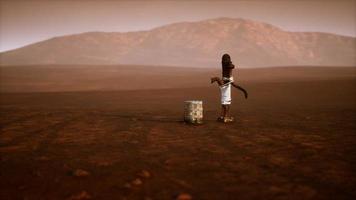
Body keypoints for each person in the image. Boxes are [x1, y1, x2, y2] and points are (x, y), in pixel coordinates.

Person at [211, 54, 248, 123]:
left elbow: (231, 67)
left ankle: (222, 116)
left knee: (224, 100)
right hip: (227, 82)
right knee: (226, 101)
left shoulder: (224, 65)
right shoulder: (227, 65)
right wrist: (231, 64)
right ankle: (225, 117)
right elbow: (232, 67)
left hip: (225, 81)